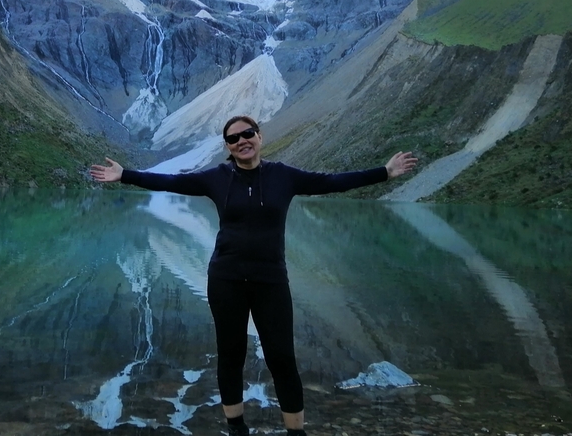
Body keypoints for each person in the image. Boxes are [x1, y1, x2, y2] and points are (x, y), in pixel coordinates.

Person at [90, 114, 418, 436]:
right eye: (233, 139)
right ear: (228, 147)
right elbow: (172, 181)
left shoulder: (283, 176)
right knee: (231, 355)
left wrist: (385, 173)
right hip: (225, 279)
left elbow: (330, 182)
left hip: (271, 280)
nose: (241, 141)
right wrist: (126, 175)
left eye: (247, 134)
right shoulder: (216, 177)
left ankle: (295, 431)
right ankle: (236, 428)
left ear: (259, 136)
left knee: (282, 359)